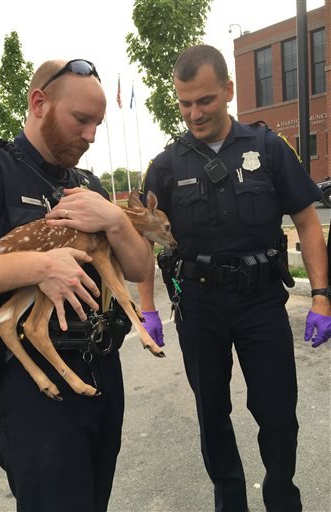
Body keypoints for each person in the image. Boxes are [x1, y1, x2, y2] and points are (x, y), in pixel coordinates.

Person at [0, 58, 153, 512]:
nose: (91, 136)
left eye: (98, 123)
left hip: (100, 372)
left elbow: (138, 269)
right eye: (81, 120)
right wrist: (39, 267)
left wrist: (117, 220)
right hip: (30, 391)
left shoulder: (88, 183)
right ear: (39, 103)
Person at [138, 44, 331, 512]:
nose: (194, 113)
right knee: (212, 415)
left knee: (278, 413)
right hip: (199, 305)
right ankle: (231, 502)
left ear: (228, 90)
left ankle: (282, 497)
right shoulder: (165, 166)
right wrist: (146, 307)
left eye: (204, 100)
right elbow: (141, 237)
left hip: (261, 299)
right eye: (184, 103)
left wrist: (322, 297)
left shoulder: (268, 149)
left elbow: (307, 221)